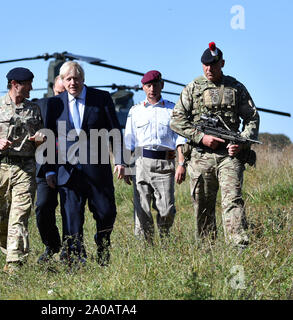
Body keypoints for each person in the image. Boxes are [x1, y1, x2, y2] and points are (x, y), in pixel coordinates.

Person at [170, 42, 260, 249]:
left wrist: (241, 142)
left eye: (214, 65)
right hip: (201, 157)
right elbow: (176, 120)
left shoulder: (236, 87)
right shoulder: (193, 89)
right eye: (205, 65)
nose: (209, 69)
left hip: (230, 157)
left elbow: (252, 118)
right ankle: (206, 251)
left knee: (233, 202)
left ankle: (238, 247)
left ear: (223, 63)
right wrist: (201, 138)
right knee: (202, 206)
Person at [42, 61, 125, 266]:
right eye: (68, 79)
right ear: (61, 80)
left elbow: (115, 131)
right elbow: (49, 138)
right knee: (71, 219)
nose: (72, 83)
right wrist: (50, 170)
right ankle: (75, 261)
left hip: (97, 169)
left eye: (76, 78)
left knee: (106, 213)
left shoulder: (101, 98)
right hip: (67, 171)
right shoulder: (55, 104)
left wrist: (121, 160)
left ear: (83, 79)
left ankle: (103, 243)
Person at [0, 67, 44, 273]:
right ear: (15, 84)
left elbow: (41, 137)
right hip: (0, 168)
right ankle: (9, 255)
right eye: (28, 83)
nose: (31, 87)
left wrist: (40, 139)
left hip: (25, 168)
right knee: (0, 221)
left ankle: (15, 265)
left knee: (19, 217)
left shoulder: (34, 109)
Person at [124, 70, 187, 244]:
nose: (152, 89)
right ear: (143, 87)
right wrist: (128, 167)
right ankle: (146, 248)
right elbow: (129, 141)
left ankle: (165, 239)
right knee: (141, 210)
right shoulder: (135, 111)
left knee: (167, 209)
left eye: (155, 85)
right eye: (148, 85)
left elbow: (180, 139)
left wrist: (181, 164)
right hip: (141, 163)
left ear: (162, 85)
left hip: (165, 163)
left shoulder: (172, 109)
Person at [35, 76, 68, 263]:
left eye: (64, 93)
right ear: (52, 90)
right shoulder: (41, 106)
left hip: (69, 166)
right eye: (58, 92)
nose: (60, 97)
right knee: (43, 207)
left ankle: (69, 247)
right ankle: (52, 244)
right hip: (44, 166)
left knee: (69, 209)